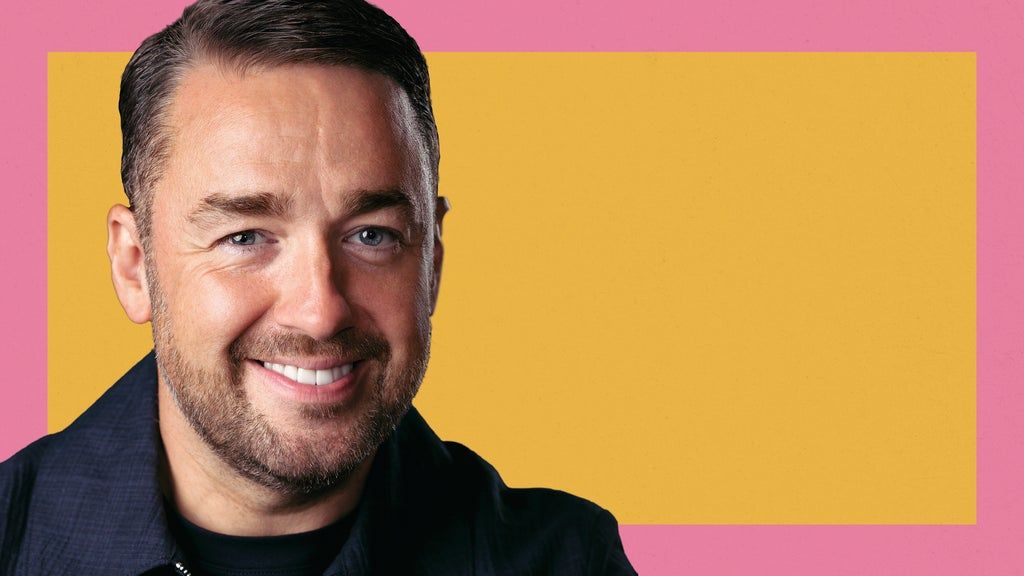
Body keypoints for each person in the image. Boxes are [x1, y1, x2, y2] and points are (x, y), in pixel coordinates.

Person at [0, 1, 636, 574]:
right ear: (134, 264)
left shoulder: (565, 561)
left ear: (432, 261)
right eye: (245, 237)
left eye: (372, 236)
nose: (320, 312)